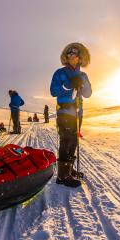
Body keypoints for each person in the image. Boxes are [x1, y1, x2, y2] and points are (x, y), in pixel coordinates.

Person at [50, 42, 92, 187]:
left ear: (80, 58)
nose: (72, 56)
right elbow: (53, 91)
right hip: (64, 112)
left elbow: (88, 94)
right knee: (66, 140)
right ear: (66, 58)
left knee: (74, 141)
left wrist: (83, 83)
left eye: (75, 54)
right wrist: (68, 85)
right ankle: (62, 176)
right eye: (69, 54)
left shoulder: (83, 74)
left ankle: (69, 169)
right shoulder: (60, 73)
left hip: (78, 113)